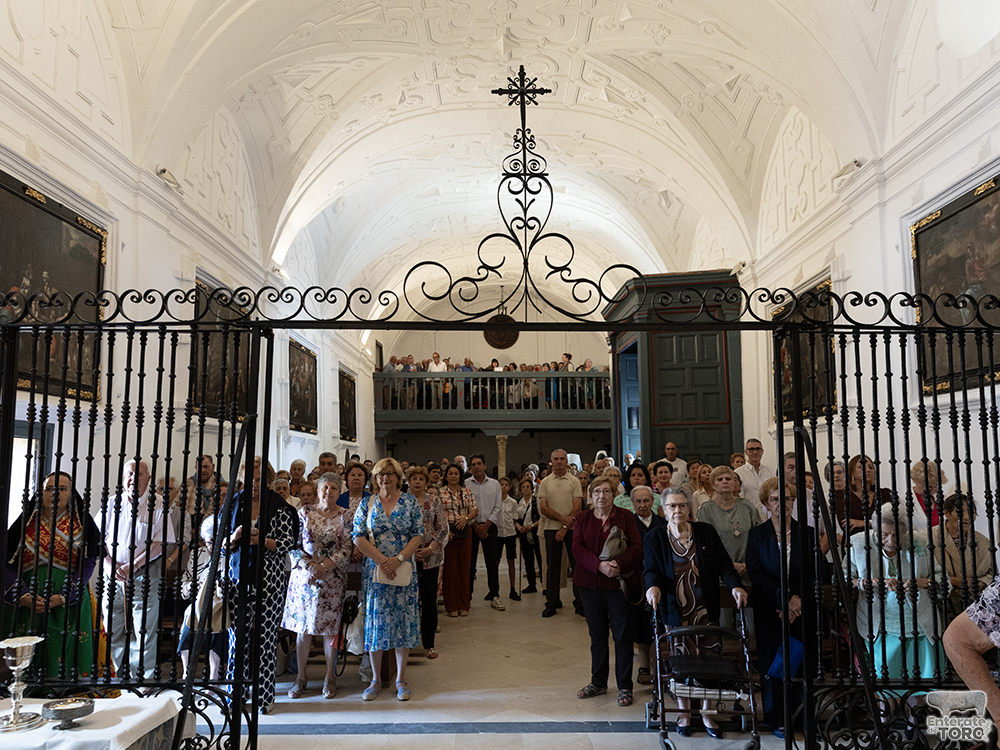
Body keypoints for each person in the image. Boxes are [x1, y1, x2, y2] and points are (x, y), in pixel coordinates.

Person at [645, 488, 748, 738]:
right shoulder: (655, 537)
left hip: (705, 610)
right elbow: (651, 570)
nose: (677, 510)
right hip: (676, 611)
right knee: (681, 662)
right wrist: (652, 587)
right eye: (672, 506)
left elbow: (724, 564)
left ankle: (707, 712)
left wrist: (735, 585)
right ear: (663, 510)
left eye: (682, 505)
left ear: (689, 508)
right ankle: (684, 713)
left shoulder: (705, 532)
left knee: (709, 660)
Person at [3, 471, 104, 680]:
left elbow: (88, 563)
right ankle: (22, 689)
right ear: (41, 493)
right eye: (49, 489)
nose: (55, 493)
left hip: (68, 600)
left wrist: (65, 595)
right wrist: (22, 595)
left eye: (62, 489)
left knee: (64, 647)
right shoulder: (25, 524)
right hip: (28, 600)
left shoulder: (81, 525)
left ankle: (62, 690)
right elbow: (7, 563)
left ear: (71, 493)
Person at [222, 456, 298, 713]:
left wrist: (262, 541)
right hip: (238, 580)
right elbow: (220, 544)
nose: (254, 484)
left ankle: (265, 697)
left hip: (270, 581)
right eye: (249, 480)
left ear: (268, 480)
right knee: (237, 639)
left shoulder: (279, 506)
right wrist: (234, 537)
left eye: (259, 480)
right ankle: (235, 695)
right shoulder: (233, 503)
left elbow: (289, 542)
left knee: (265, 640)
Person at [746, 478, 819, 738]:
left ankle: (803, 717)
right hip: (769, 609)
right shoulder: (757, 534)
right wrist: (783, 599)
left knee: (802, 662)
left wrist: (796, 602)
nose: (782, 504)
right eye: (775, 499)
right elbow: (755, 572)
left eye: (787, 498)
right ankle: (778, 719)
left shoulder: (807, 533)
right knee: (773, 662)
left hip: (801, 609)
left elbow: (815, 572)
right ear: (766, 504)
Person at [846, 504, 948, 682]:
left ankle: (920, 702)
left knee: (926, 680)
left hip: (920, 623)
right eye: (884, 535)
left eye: (897, 535)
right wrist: (873, 582)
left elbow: (943, 580)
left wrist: (923, 582)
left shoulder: (920, 541)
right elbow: (843, 580)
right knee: (886, 682)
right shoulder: (858, 543)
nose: (891, 541)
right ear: (875, 530)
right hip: (879, 625)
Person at [352, 457, 423, 702]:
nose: (385, 478)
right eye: (381, 474)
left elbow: (418, 535)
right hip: (376, 570)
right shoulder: (367, 503)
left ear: (398, 477)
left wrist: (398, 558)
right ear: (375, 478)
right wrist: (383, 560)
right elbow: (358, 536)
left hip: (403, 568)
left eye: (390, 473)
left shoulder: (410, 502)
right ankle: (375, 679)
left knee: (403, 620)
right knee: (376, 623)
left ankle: (401, 679)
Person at [572, 476, 643, 707]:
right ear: (591, 496)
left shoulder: (626, 516)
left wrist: (618, 565)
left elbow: (637, 547)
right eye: (597, 492)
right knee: (598, 636)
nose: (601, 496)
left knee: (622, 636)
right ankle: (598, 682)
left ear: (614, 494)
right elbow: (577, 548)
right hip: (590, 584)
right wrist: (599, 566)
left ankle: (625, 686)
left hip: (619, 584)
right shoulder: (582, 518)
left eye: (606, 491)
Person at [103, 459, 176, 681]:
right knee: (112, 628)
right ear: (123, 478)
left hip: (145, 574)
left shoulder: (159, 504)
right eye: (129, 474)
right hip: (113, 576)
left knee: (144, 630)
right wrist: (109, 564)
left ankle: (142, 679)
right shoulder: (112, 503)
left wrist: (133, 565)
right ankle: (115, 678)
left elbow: (160, 543)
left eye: (139, 474)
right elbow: (97, 538)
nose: (133, 478)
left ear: (149, 479)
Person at [283, 473, 354, 700]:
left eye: (334, 488)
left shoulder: (346, 516)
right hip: (305, 579)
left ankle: (329, 678)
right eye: (325, 487)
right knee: (303, 630)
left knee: (330, 630)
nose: (328, 492)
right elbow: (292, 544)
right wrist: (310, 566)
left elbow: (347, 548)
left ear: (339, 492)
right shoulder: (304, 513)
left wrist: (324, 566)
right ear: (318, 489)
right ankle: (300, 677)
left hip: (332, 580)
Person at [537, 448, 583, 618]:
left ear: (566, 461)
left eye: (562, 459)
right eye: (556, 459)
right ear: (552, 461)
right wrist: (562, 520)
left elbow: (577, 507)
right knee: (552, 567)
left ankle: (580, 604)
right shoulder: (545, 482)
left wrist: (564, 527)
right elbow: (543, 508)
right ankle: (552, 602)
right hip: (551, 529)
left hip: (572, 529)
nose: (559, 462)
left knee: (576, 566)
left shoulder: (574, 481)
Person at [696, 466, 758, 587]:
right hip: (720, 574)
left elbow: (758, 538)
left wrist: (748, 563)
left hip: (748, 570)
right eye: (720, 479)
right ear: (713, 484)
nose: (725, 481)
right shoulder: (706, 509)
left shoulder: (747, 506)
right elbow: (705, 544)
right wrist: (730, 565)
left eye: (728, 479)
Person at [409, 466, 448, 659]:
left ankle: (429, 644)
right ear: (408, 481)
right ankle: (407, 642)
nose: (417, 482)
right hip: (407, 557)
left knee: (429, 601)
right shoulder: (402, 500)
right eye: (414, 479)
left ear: (426, 482)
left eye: (421, 479)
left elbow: (442, 528)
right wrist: (410, 551)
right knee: (408, 601)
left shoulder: (434, 500)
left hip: (430, 557)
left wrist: (429, 549)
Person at [629, 485, 665, 686]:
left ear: (653, 502)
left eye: (646, 501)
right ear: (633, 504)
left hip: (661, 581)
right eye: (638, 501)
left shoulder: (663, 524)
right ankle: (644, 663)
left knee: (661, 620)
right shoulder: (628, 525)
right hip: (638, 581)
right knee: (641, 622)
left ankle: (663, 662)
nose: (642, 505)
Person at [937, 493, 993, 617]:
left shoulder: (983, 542)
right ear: (946, 513)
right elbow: (922, 575)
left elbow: (992, 573)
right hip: (940, 608)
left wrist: (978, 584)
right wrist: (956, 582)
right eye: (960, 512)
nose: (967, 517)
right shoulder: (929, 539)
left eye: (972, 512)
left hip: (975, 609)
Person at [465, 453, 503, 610]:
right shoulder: (466, 484)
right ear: (470, 468)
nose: (476, 467)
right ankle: (467, 597)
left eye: (479, 463)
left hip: (489, 527)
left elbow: (498, 507)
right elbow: (464, 507)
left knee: (492, 562)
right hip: (471, 526)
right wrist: (475, 525)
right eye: (473, 464)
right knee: (470, 563)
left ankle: (494, 595)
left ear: (485, 465)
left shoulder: (494, 484)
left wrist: (486, 525)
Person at [440, 463, 477, 617]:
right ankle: (451, 606)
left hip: (465, 532)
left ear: (460, 476)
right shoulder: (440, 492)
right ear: (446, 476)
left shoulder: (467, 491)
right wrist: (445, 531)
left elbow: (474, 509)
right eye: (451, 473)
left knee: (464, 568)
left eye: (456, 473)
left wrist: (466, 518)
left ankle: (464, 604)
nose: (453, 476)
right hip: (448, 534)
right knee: (450, 570)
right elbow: (438, 513)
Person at [515, 477, 542, 594]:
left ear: (532, 489)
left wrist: (532, 525)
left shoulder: (536, 501)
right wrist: (519, 528)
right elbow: (514, 519)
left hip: (536, 531)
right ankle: (532, 584)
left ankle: (545, 585)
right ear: (521, 490)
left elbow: (542, 517)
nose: (526, 489)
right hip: (524, 533)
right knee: (528, 559)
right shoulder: (518, 503)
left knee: (540, 558)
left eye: (528, 487)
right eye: (523, 487)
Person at [735, 438, 774, 517]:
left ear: (762, 451)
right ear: (746, 452)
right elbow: (738, 498)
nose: (755, 452)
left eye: (758, 449)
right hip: (748, 516)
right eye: (751, 449)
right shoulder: (738, 473)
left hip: (769, 516)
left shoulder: (770, 472)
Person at [497, 477, 520, 602]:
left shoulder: (513, 502)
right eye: (502, 484)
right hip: (498, 534)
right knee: (496, 561)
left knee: (511, 561)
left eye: (506, 484)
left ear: (509, 487)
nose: (504, 486)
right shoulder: (495, 501)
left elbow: (514, 518)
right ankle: (494, 590)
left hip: (510, 533)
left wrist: (519, 528)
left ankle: (512, 588)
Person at [912, 461, 948, 528]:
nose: (934, 490)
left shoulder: (942, 497)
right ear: (916, 481)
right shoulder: (903, 501)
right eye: (930, 487)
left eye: (936, 486)